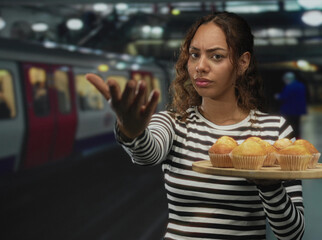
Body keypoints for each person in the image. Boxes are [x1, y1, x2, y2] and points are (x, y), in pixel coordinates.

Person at [86, 12, 305, 239]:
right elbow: (146, 155)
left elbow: (291, 234)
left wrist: (269, 186)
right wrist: (131, 130)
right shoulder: (173, 123)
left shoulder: (274, 131)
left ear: (242, 63)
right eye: (194, 55)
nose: (200, 66)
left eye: (216, 57)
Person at [275, 72, 307, 139]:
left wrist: (278, 96)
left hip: (289, 110)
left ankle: (291, 137)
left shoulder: (289, 86)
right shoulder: (301, 85)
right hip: (299, 109)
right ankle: (298, 136)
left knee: (290, 125)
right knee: (297, 124)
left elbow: (284, 97)